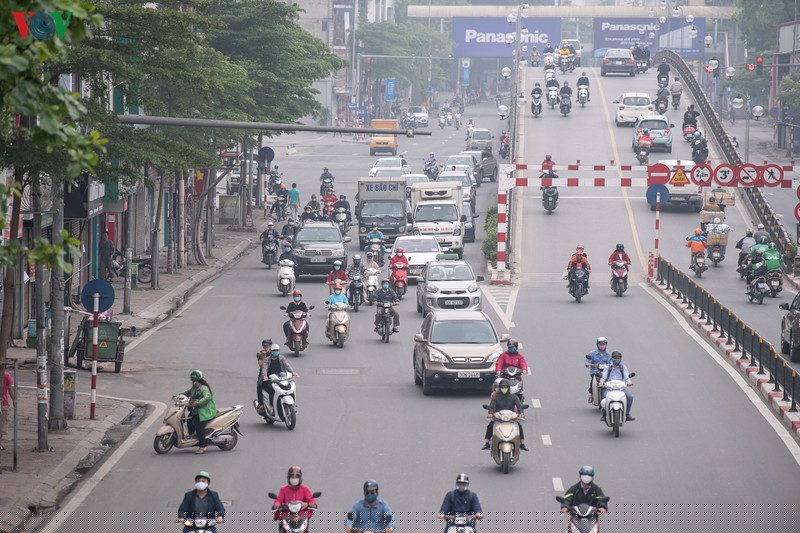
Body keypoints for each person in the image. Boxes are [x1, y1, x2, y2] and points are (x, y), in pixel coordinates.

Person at [173, 370, 217, 454]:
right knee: (189, 420)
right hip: (196, 411)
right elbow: (186, 393)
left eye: (194, 381)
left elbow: (207, 397)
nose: (193, 382)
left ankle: (203, 446)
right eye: (192, 381)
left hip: (205, 412)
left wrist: (198, 402)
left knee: (198, 426)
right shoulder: (194, 388)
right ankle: (192, 438)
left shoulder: (204, 388)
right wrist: (176, 395)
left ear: (198, 380)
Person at [482, 379, 528, 451]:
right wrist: (490, 414)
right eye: (502, 387)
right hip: (499, 417)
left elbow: (519, 406)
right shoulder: (496, 397)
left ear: (508, 387)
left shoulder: (514, 397)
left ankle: (522, 443)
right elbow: (491, 407)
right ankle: (487, 443)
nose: (504, 389)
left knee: (519, 426)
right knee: (490, 426)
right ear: (500, 388)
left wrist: (521, 413)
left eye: (505, 387)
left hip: (511, 418)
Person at [260, 345, 297, 413]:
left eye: (277, 350)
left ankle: (293, 405)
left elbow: (287, 365)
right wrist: (265, 376)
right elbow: (264, 368)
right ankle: (271, 406)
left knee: (289, 386)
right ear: (271, 351)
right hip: (271, 379)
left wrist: (292, 372)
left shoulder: (281, 358)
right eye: (274, 351)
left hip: (281, 378)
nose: (276, 352)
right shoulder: (267, 360)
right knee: (271, 390)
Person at [599, 351, 634, 422]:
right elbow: (604, 376)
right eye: (615, 358)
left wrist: (629, 382)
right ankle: (604, 415)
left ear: (620, 359)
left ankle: (627, 414)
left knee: (630, 397)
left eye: (618, 358)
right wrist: (601, 383)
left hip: (620, 388)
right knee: (604, 399)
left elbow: (626, 377)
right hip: (609, 388)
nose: (616, 359)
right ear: (612, 358)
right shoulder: (607, 367)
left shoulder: (623, 367)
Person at [585, 337, 611, 403]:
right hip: (595, 371)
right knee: (593, 381)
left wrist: (611, 366)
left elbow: (611, 363)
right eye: (600, 344)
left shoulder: (608, 354)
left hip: (605, 372)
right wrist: (590, 365)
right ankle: (591, 395)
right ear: (597, 345)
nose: (602, 345)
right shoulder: (592, 353)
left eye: (604, 344)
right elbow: (587, 362)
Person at [255, 339, 272, 410]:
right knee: (259, 386)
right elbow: (261, 365)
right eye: (264, 346)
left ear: (270, 346)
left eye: (267, 346)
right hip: (263, 374)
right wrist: (264, 356)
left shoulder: (273, 353)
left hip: (272, 373)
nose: (265, 348)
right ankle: (261, 404)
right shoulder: (260, 354)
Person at [1, 369, 15, 451]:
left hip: (3, 403)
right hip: (3, 403)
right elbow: (10, 390)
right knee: (2, 425)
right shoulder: (6, 375)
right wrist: (14, 400)